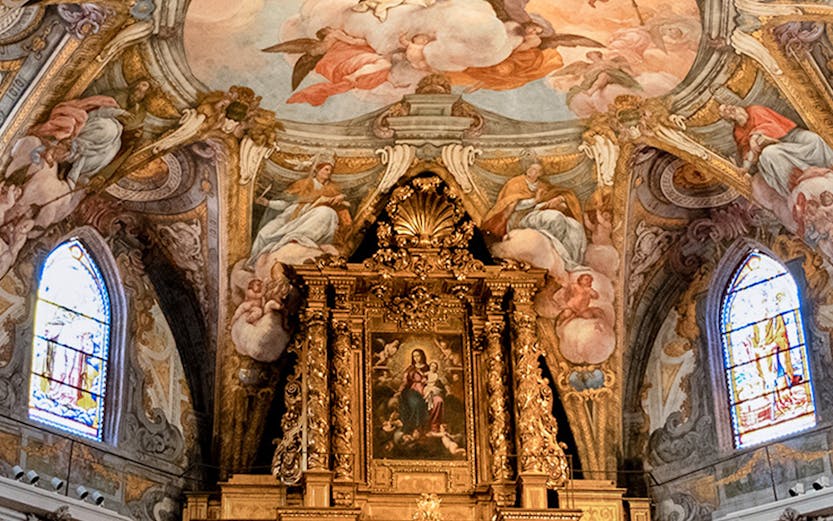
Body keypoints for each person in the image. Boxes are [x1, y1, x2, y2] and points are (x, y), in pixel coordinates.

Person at [482, 162, 587, 270]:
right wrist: (535, 200)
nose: (531, 171)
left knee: (575, 226)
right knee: (555, 217)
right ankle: (557, 250)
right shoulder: (515, 183)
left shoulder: (542, 185)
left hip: (537, 212)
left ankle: (567, 256)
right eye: (531, 169)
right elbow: (513, 205)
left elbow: (560, 194)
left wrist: (558, 199)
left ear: (540, 174)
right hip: (520, 217)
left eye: (536, 170)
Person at [247, 161, 352, 266]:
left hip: (311, 216)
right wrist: (268, 203)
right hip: (291, 215)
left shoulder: (332, 189)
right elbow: (285, 203)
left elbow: (344, 205)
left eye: (330, 170)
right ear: (317, 170)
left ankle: (297, 238)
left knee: (326, 213)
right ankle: (254, 264)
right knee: (264, 233)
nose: (329, 173)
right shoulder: (303, 184)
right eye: (326, 169)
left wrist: (341, 197)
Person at [719, 103, 833, 197]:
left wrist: (755, 135)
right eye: (726, 111)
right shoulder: (738, 132)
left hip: (789, 136)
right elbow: (746, 151)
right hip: (772, 149)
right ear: (728, 119)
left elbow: (773, 125)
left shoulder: (755, 110)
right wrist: (745, 167)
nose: (730, 109)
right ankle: (805, 176)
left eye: (729, 107)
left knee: (813, 138)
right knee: (771, 153)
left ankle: (829, 166)